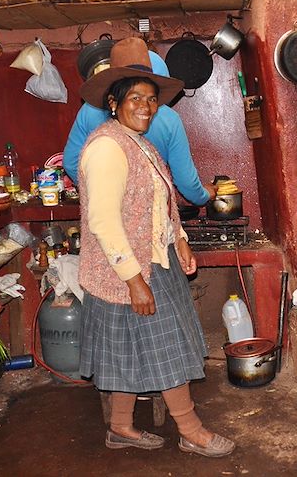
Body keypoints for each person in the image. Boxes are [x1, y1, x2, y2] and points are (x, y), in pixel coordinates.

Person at [77, 37, 235, 457]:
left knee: (133, 348)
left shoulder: (140, 144)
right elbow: (104, 222)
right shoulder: (107, 148)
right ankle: (191, 430)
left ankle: (121, 428)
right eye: (135, 98)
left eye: (151, 98)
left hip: (153, 261)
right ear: (113, 102)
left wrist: (179, 240)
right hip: (125, 270)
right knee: (168, 347)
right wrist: (133, 281)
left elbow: (159, 204)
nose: (145, 106)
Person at [63, 48, 216, 205]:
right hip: (150, 210)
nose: (144, 106)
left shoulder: (90, 110)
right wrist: (203, 195)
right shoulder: (170, 119)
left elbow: (71, 162)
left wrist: (97, 189)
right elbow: (186, 182)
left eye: (151, 98)